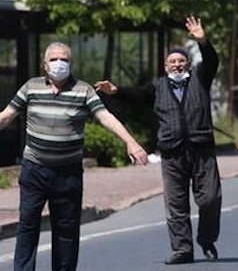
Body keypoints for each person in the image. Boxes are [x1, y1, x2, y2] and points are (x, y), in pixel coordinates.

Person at [0, 42, 148, 271]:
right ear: (45, 64)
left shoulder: (83, 90)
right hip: (35, 170)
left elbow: (105, 117)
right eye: (54, 59)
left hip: (67, 173)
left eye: (65, 60)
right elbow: (6, 116)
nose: (60, 64)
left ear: (71, 63)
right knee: (27, 225)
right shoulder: (31, 87)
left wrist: (131, 141)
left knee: (66, 230)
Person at [95, 16, 221, 265]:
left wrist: (203, 40)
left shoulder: (200, 78)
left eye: (181, 61)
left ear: (188, 64)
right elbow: (137, 95)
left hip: (201, 150)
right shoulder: (157, 86)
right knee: (176, 204)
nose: (177, 65)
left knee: (210, 198)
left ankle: (206, 238)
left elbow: (212, 60)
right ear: (165, 66)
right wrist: (116, 90)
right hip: (172, 153)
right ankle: (182, 249)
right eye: (172, 62)